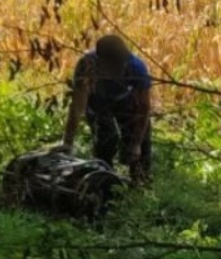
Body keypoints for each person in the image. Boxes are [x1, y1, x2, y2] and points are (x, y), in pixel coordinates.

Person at [61, 35, 154, 181]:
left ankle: (140, 184)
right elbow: (78, 106)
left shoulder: (136, 68)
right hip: (98, 101)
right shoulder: (87, 66)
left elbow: (143, 108)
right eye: (114, 65)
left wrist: (136, 143)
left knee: (140, 148)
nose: (119, 68)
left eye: (121, 64)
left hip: (125, 100)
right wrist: (68, 141)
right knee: (105, 140)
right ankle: (104, 183)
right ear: (102, 62)